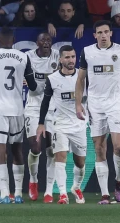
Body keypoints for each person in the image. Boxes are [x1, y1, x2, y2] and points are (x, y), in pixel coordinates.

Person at [75, 20, 120, 204]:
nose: (103, 35)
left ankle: (119, 182)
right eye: (99, 32)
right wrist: (78, 104)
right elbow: (80, 79)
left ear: (111, 33)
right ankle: (105, 194)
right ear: (94, 35)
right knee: (99, 148)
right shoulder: (87, 52)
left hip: (116, 104)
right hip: (95, 106)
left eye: (106, 32)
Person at [0, 27, 40, 204]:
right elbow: (33, 86)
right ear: (14, 40)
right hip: (18, 107)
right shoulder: (24, 56)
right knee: (17, 149)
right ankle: (18, 194)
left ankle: (4, 194)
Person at [36, 45, 86, 204]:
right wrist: (41, 123)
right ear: (60, 59)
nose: (71, 60)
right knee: (60, 156)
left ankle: (76, 187)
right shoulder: (52, 79)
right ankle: (63, 194)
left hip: (79, 124)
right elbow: (45, 102)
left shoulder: (83, 75)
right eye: (67, 57)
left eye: (73, 57)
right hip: (61, 124)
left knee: (80, 162)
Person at [24, 32, 60, 203]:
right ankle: (33, 180)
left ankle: (48, 190)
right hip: (33, 106)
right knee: (36, 147)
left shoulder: (57, 56)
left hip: (53, 108)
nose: (46, 42)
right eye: (43, 40)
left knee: (52, 149)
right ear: (36, 43)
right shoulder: (27, 58)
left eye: (49, 40)